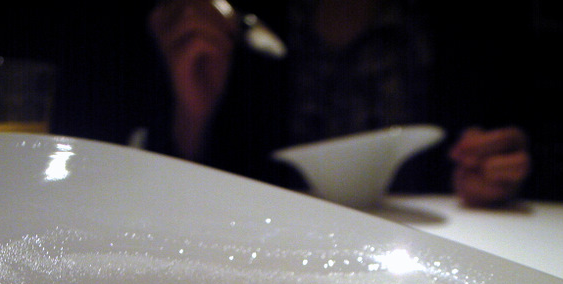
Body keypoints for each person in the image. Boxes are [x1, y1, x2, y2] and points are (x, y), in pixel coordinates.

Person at [147, 0, 531, 207]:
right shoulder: (231, 25)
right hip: (269, 242)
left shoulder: (467, 25)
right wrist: (192, 117)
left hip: (429, 239)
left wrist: (489, 167)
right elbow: (178, 195)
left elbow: (503, 142)